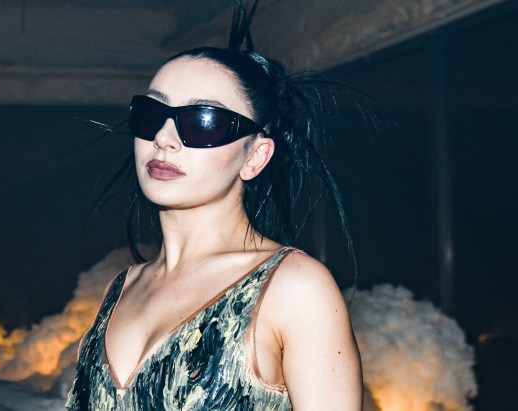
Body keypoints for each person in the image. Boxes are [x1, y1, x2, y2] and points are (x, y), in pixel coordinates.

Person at [67, 2, 362, 409]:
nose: (164, 138)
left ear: (255, 156)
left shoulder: (294, 288)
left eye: (203, 121)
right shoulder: (121, 289)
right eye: (152, 114)